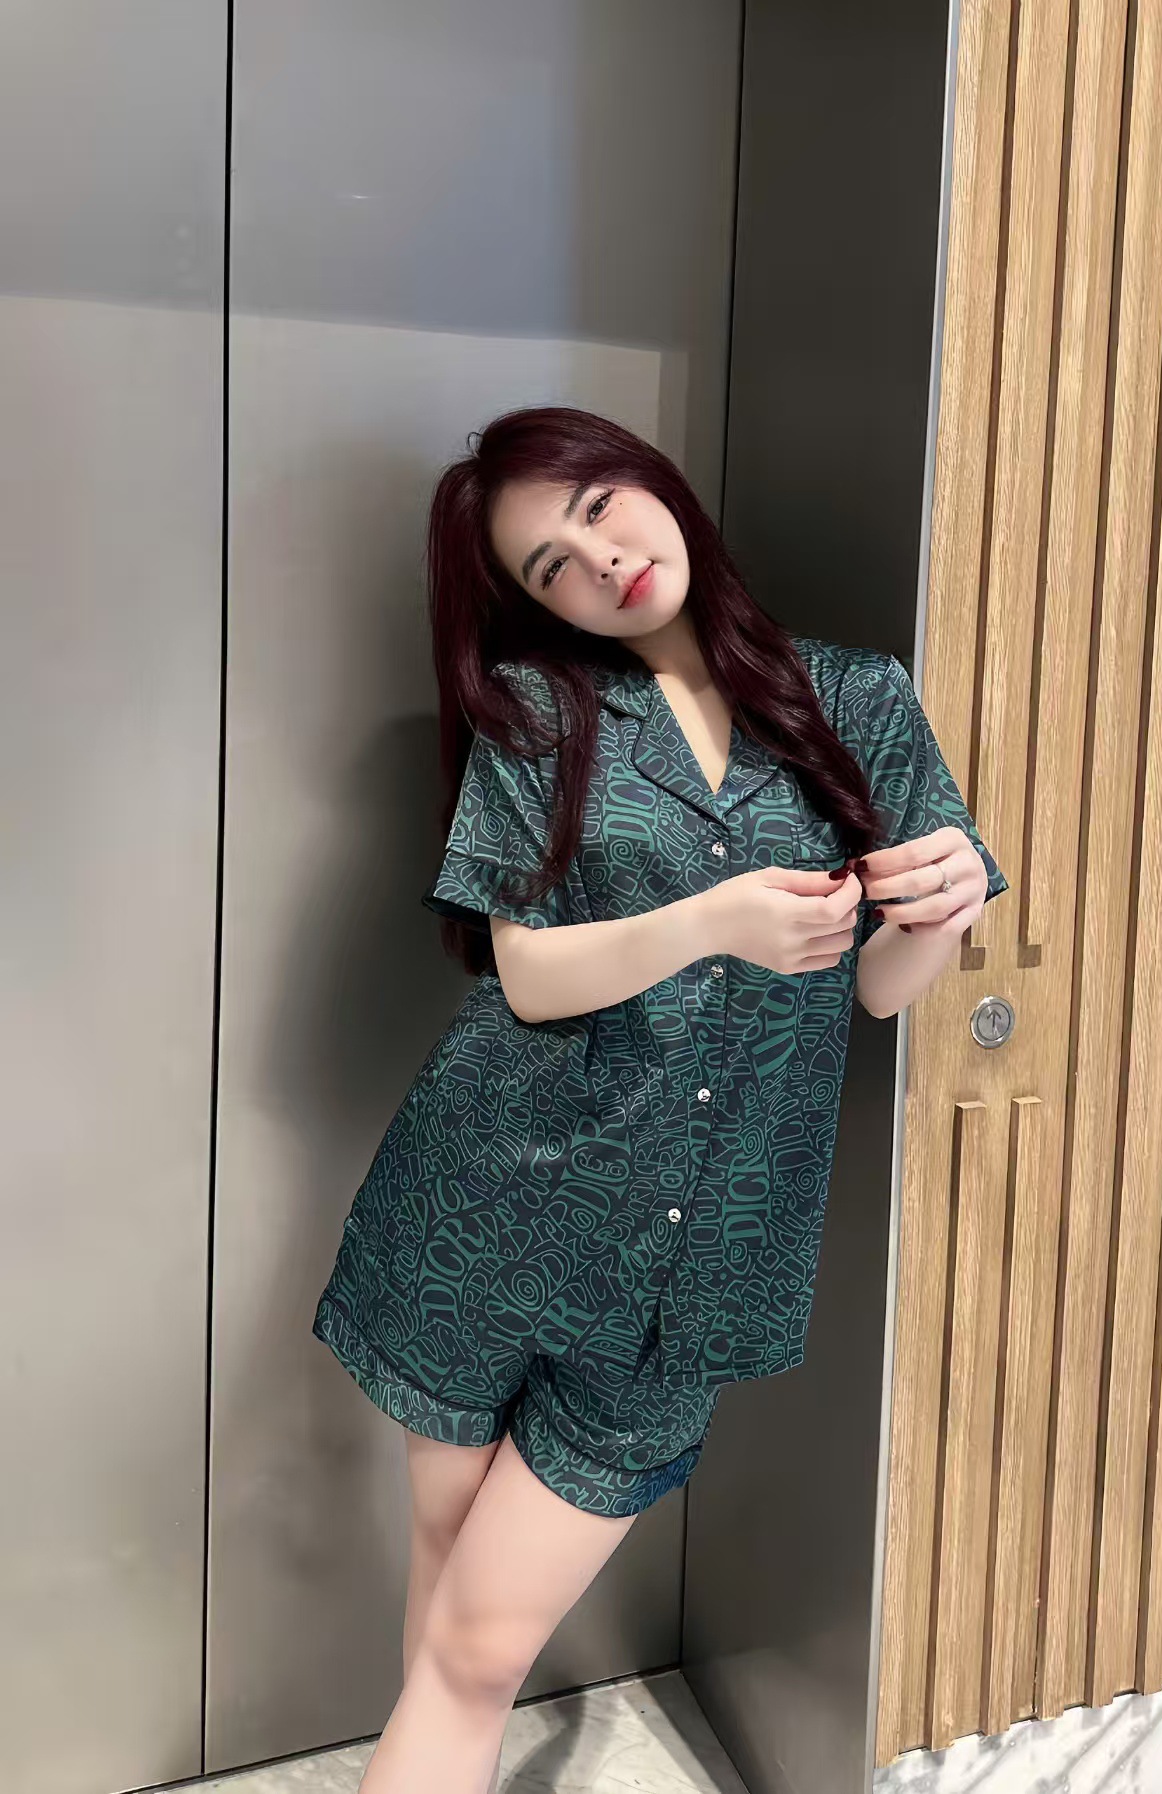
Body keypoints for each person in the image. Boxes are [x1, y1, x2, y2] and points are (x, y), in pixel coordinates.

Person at [311, 404, 1009, 1793]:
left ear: (656, 482)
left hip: (692, 1261)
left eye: (598, 504)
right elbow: (526, 976)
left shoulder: (854, 698)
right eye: (551, 565)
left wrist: (947, 904)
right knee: (453, 1601)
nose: (600, 558)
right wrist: (713, 922)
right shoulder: (537, 716)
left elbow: (882, 991)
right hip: (485, 1208)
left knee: (476, 1643)